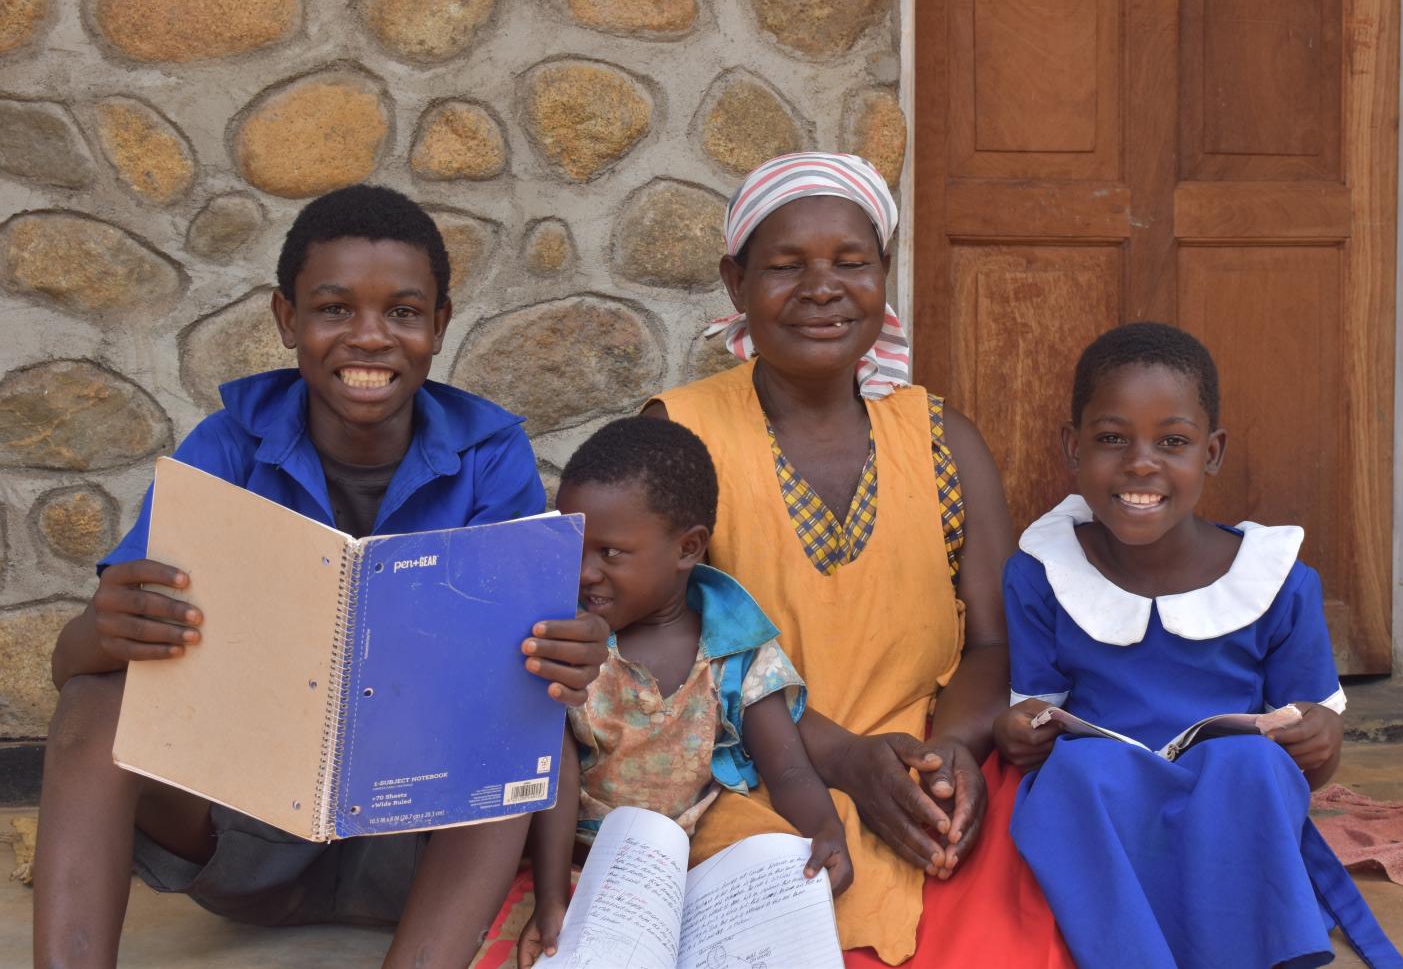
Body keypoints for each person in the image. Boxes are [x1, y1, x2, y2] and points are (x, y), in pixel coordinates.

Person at [32, 185, 610, 969]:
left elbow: (532, 659)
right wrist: (100, 632)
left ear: (439, 325)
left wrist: (566, 655)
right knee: (96, 699)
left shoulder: (488, 455)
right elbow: (75, 667)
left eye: (403, 313)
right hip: (242, 835)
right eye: (335, 309)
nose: (370, 338)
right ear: (286, 319)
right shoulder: (228, 446)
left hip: (410, 843)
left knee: (514, 718)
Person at [646, 152, 1072, 967]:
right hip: (744, 775)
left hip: (926, 772)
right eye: (784, 265)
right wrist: (842, 759)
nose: (821, 287)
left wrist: (953, 754)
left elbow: (994, 641)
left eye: (852, 262)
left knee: (1025, 900)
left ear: (884, 276)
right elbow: (663, 659)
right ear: (735, 284)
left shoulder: (943, 439)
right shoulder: (681, 436)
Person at [995, 322, 1403, 969]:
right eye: (1111, 438)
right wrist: (1017, 730)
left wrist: (1320, 737)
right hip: (1112, 794)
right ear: (1072, 448)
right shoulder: (1041, 572)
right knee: (1073, 774)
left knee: (1253, 766)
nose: (1140, 462)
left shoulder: (1275, 580)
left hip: (1227, 794)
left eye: (1173, 441)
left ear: (1211, 452)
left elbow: (1309, 757)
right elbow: (1032, 717)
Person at [517, 416, 852, 966]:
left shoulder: (735, 646)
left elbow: (787, 767)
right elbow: (556, 771)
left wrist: (826, 833)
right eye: (574, 546)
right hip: (580, 864)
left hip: (698, 865)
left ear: (688, 547)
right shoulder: (570, 644)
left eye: (610, 553)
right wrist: (550, 898)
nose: (583, 573)